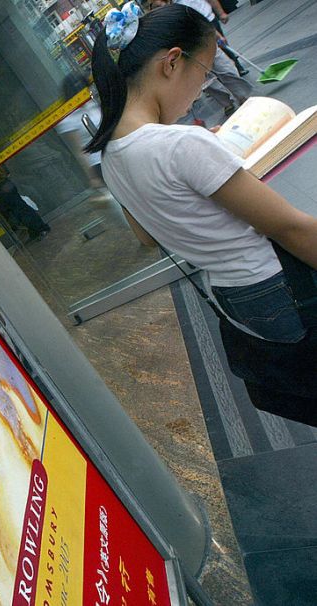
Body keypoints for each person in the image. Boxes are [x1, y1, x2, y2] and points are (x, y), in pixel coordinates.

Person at [86, 2, 317, 425]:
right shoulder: (180, 146)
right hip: (280, 284)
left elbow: (147, 236)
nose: (201, 87)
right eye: (204, 71)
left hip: (234, 297)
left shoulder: (113, 156)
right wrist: (200, 155)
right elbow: (288, 226)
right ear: (172, 62)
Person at [146, 0, 251, 114]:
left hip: (206, 44)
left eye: (159, 4)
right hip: (188, 57)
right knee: (208, 83)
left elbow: (201, 24)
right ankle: (226, 103)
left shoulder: (182, 9)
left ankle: (242, 96)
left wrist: (217, 36)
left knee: (226, 69)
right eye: (154, 6)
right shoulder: (156, 26)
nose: (159, 7)